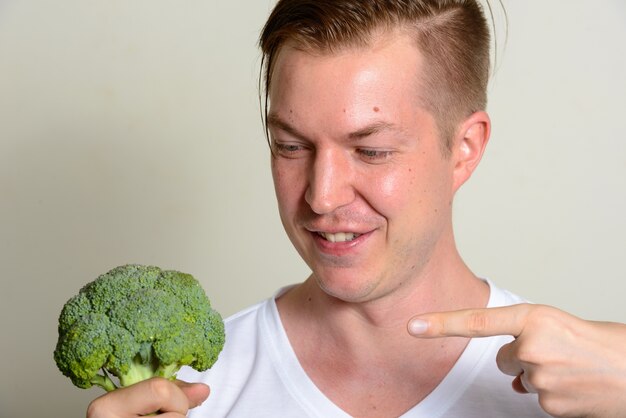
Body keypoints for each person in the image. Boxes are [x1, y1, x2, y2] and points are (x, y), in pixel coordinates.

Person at [86, 1, 626, 417]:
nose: (322, 197)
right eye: (291, 146)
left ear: (465, 148)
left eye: (371, 151)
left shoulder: (588, 386)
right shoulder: (190, 392)